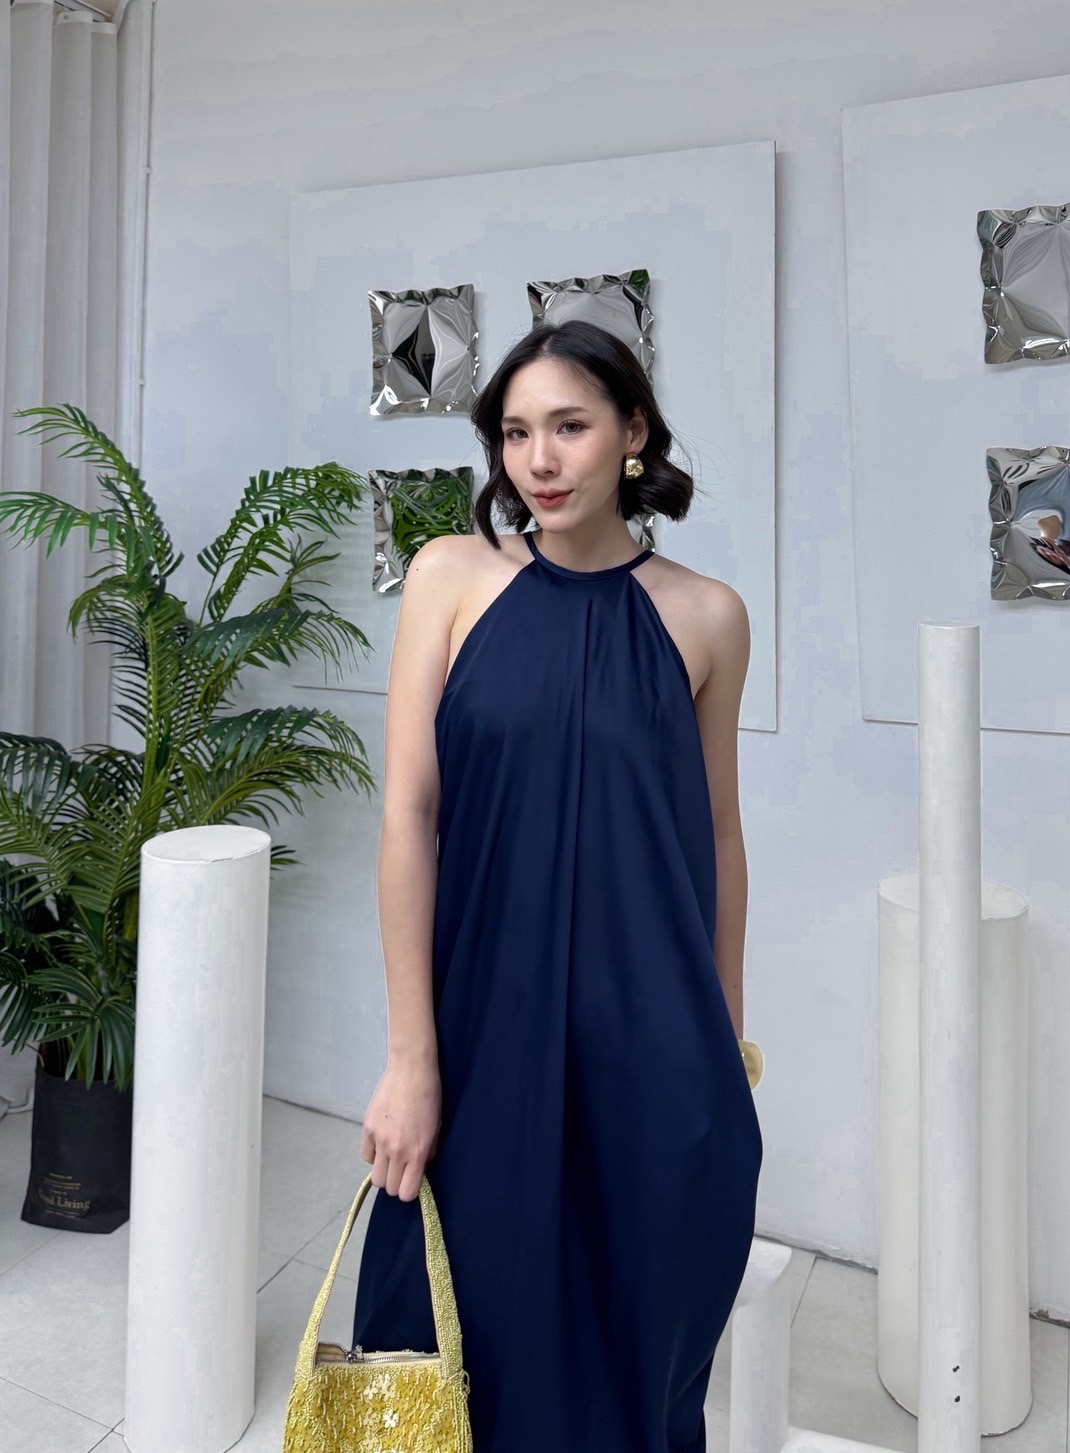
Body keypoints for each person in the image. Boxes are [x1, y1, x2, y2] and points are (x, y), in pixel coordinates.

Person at [350, 318, 763, 1452]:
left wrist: (724, 1046)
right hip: (482, 1032)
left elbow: (717, 836)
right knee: (443, 1349)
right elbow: (408, 816)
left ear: (632, 433)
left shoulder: (707, 615)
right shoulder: (449, 577)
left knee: (629, 1364)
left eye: (569, 426)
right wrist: (411, 1058)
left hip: (653, 1051)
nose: (538, 460)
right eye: (515, 432)